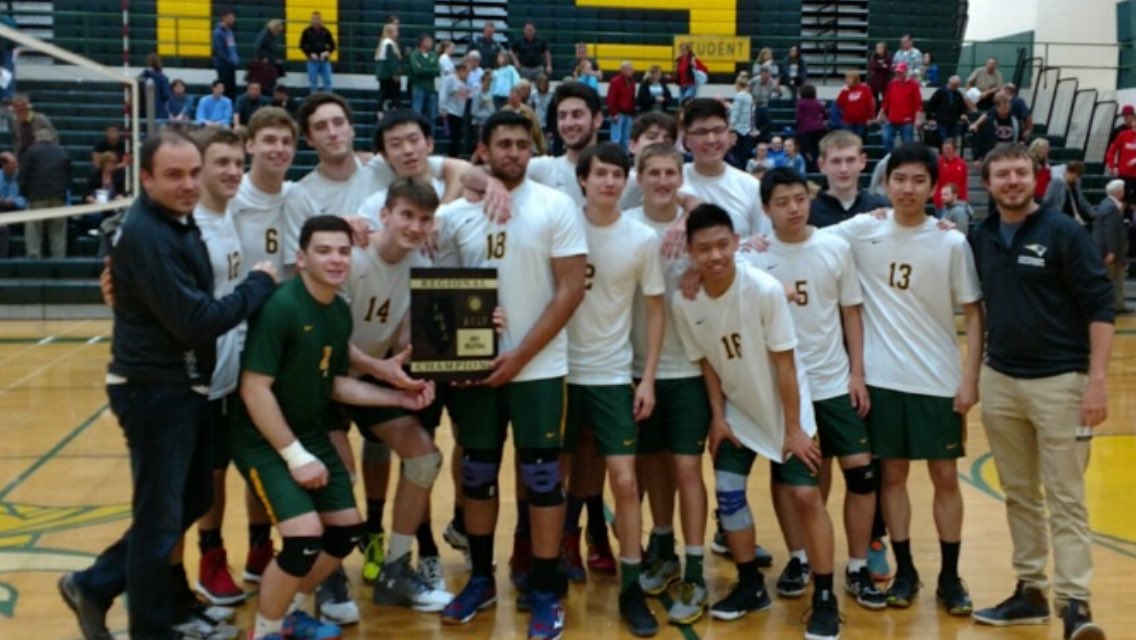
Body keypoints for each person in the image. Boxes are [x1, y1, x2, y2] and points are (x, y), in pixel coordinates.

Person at [58, 130, 277, 640]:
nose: (188, 184)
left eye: (192, 173)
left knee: (193, 497)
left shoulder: (176, 223)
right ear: (147, 178)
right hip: (154, 390)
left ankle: (95, 583)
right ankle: (150, 627)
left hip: (186, 387)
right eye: (175, 175)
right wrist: (258, 287)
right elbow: (195, 321)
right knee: (159, 517)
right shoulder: (149, 235)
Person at [232, 215, 431, 640]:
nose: (336, 259)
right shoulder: (281, 307)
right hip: (265, 440)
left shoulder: (338, 310)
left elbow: (336, 383)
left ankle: (288, 612)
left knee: (343, 535)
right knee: (304, 540)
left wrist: (398, 397)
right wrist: (296, 456)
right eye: (324, 251)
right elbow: (254, 390)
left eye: (343, 251)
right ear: (301, 258)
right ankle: (265, 632)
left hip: (308, 432)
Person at [435, 110, 587, 639]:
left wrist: (520, 355)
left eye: (523, 144)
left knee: (543, 480)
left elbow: (571, 289)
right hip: (475, 371)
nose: (514, 153)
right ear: (484, 148)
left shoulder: (555, 206)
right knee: (476, 475)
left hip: (539, 367)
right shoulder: (456, 216)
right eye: (504, 144)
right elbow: (443, 294)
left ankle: (544, 587)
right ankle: (481, 578)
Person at [825, 142, 984, 616]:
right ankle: (907, 568)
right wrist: (754, 243)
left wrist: (969, 378)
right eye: (900, 179)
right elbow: (804, 238)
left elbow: (975, 314)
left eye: (919, 180)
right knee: (891, 475)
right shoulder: (862, 230)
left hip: (937, 379)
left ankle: (951, 577)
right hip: (882, 379)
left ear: (934, 187)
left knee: (944, 476)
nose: (908, 189)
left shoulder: (951, 240)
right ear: (886, 184)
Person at [671, 203, 840, 637]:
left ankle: (824, 597)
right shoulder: (685, 301)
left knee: (805, 498)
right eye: (704, 248)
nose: (714, 256)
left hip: (789, 409)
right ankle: (750, 584)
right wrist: (717, 417)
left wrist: (794, 429)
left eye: (723, 245)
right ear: (690, 251)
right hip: (738, 413)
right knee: (728, 495)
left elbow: (785, 366)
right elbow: (707, 362)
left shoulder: (763, 289)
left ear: (735, 244)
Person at [969, 142, 1114, 640]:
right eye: (1002, 174)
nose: (1012, 181)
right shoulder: (981, 236)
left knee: (1066, 497)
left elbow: (1101, 309)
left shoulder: (1065, 232)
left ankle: (1075, 602)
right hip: (1002, 381)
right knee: (1019, 495)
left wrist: (1096, 383)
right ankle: (1029, 591)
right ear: (987, 183)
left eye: (1020, 172)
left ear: (1036, 177)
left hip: (1062, 384)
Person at [758, 166, 887, 612]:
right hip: (786, 389)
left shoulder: (833, 247)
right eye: (782, 202)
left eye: (799, 198)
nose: (793, 208)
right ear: (766, 210)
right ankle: (799, 559)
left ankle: (856, 565)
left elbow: (851, 312)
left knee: (862, 473)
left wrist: (857, 374)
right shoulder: (754, 255)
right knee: (793, 481)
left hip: (834, 381)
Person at [560, 143, 666, 635]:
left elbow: (655, 308)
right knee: (558, 477)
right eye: (600, 173)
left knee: (624, 481)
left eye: (616, 174)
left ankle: (631, 587)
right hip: (557, 370)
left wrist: (646, 378)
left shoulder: (641, 239)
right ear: (583, 179)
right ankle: (551, 561)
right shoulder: (560, 225)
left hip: (611, 374)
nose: (608, 181)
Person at [339, 179, 454, 612]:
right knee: (337, 474)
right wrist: (381, 370)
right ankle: (328, 575)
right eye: (406, 215)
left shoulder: (419, 266)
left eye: (424, 219)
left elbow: (405, 338)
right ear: (383, 214)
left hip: (371, 376)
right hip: (324, 380)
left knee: (425, 458)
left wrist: (423, 366)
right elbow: (327, 342)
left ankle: (395, 568)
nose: (415, 226)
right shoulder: (349, 256)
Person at [623, 144, 712, 624]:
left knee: (686, 468)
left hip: (688, 367)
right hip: (635, 366)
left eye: (670, 173)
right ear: (639, 177)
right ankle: (663, 546)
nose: (662, 180)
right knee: (651, 465)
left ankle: (696, 569)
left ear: (682, 177)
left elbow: (726, 253)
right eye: (653, 172)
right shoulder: (627, 224)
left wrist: (694, 233)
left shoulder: (699, 221)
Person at [810, 130, 891, 228]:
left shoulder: (883, 208)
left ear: (862, 161)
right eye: (836, 161)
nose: (844, 169)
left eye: (850, 160)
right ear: (821, 165)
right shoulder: (807, 213)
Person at [19, 129, 70, 259]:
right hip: (58, 195)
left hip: (37, 195)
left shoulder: (31, 151)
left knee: (34, 229)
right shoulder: (62, 151)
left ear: (37, 138)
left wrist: (24, 193)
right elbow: (69, 175)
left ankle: (34, 257)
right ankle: (58, 258)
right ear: (51, 138)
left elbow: (23, 175)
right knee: (58, 230)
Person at [1094, 180, 1131, 313]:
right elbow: (1110, 231)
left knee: (1118, 278)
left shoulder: (1107, 204)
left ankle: (1118, 305)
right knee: (1111, 278)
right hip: (1110, 250)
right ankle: (1107, 306)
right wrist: (1111, 251)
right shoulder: (1110, 207)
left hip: (1113, 249)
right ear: (1119, 191)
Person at [877, 62, 921, 152]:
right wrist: (880, 113)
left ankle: (905, 161)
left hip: (907, 120)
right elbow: (886, 101)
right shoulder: (892, 84)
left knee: (907, 144)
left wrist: (918, 118)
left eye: (900, 72)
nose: (898, 74)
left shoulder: (913, 85)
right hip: (892, 118)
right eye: (897, 72)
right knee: (886, 138)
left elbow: (918, 103)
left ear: (906, 72)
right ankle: (891, 156)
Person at [1042, 161, 1095, 226]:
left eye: (1078, 176)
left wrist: (1093, 214)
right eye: (1076, 175)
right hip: (1059, 217)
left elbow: (1081, 200)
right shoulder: (1056, 182)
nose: (1077, 178)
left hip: (1074, 217)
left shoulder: (1077, 182)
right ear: (1069, 172)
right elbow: (1047, 200)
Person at [972, 94, 1024, 160]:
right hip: (992, 156)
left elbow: (1020, 139)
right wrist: (977, 157)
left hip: (1011, 155)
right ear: (997, 107)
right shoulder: (988, 122)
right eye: (1003, 108)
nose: (1005, 109)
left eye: (1007, 107)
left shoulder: (1016, 122)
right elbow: (980, 141)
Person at [5, 93, 56, 157]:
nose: (18, 110)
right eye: (16, 108)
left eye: (21, 107)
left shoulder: (40, 119)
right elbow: (16, 140)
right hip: (24, 153)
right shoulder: (14, 121)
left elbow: (54, 137)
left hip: (41, 153)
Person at [925, 75, 968, 150]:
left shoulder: (958, 94)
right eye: (954, 85)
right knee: (943, 141)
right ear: (949, 83)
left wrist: (963, 114)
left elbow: (962, 107)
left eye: (957, 86)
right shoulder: (940, 92)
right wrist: (930, 119)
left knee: (952, 142)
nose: (955, 87)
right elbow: (930, 106)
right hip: (941, 122)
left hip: (953, 122)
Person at [0, 151, 27, 258]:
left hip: (20, 212)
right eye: (11, 163)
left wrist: (15, 201)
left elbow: (28, 198)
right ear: (3, 165)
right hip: (2, 210)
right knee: (2, 227)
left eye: (15, 163)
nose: (15, 166)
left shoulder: (23, 177)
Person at [409, 34, 440, 126]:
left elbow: (437, 71)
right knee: (416, 114)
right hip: (418, 87)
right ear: (422, 43)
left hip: (431, 88)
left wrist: (424, 69)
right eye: (429, 41)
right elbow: (417, 70)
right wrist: (430, 70)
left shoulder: (433, 55)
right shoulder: (415, 55)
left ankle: (430, 138)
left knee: (432, 116)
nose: (431, 43)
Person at [301, 11, 336, 94]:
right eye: (314, 19)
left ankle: (328, 101)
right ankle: (314, 102)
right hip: (312, 61)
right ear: (311, 20)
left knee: (327, 82)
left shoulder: (326, 31)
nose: (316, 21)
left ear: (321, 20)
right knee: (313, 84)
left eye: (318, 19)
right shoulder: (307, 32)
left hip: (324, 60)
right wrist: (309, 54)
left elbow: (333, 45)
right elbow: (302, 45)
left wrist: (328, 52)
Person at [441, 63, 471, 157]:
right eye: (466, 72)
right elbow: (444, 93)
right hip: (451, 111)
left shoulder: (463, 83)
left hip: (459, 113)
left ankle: (454, 154)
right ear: (461, 71)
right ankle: (452, 156)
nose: (467, 75)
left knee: (457, 137)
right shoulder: (451, 79)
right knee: (454, 136)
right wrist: (443, 108)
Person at [795, 84, 826, 172]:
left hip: (805, 130)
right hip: (818, 130)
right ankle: (816, 169)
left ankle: (806, 169)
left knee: (804, 151)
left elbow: (798, 117)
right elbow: (824, 114)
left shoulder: (800, 103)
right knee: (816, 150)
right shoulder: (817, 102)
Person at [835, 72, 875, 139]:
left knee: (858, 139)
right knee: (849, 140)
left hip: (861, 120)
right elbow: (839, 104)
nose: (847, 80)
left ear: (855, 79)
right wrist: (843, 92)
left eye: (849, 78)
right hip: (848, 120)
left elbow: (869, 104)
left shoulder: (865, 89)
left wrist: (870, 118)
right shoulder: (845, 90)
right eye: (846, 78)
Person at [607, 62, 637, 151]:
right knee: (616, 139)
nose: (632, 71)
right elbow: (611, 98)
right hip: (618, 113)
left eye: (632, 69)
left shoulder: (632, 82)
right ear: (623, 70)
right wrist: (613, 113)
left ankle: (625, 158)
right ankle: (614, 157)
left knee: (626, 139)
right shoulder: (615, 81)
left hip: (628, 113)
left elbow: (632, 98)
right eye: (630, 69)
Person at [933, 137, 968, 211]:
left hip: (958, 202)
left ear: (954, 149)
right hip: (942, 202)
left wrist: (964, 200)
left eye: (948, 148)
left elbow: (964, 183)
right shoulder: (938, 163)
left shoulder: (961, 164)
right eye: (944, 148)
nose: (946, 151)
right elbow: (935, 182)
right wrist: (937, 199)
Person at [728, 73, 755, 165]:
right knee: (743, 155)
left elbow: (735, 113)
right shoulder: (749, 96)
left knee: (736, 154)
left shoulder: (739, 96)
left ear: (738, 85)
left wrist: (730, 127)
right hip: (746, 129)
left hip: (737, 130)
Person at [212, 10, 239, 100]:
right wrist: (229, 61)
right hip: (223, 65)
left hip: (231, 65)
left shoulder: (229, 31)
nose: (233, 19)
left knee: (232, 90)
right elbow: (219, 51)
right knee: (225, 89)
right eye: (230, 17)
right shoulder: (218, 32)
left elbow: (232, 47)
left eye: (233, 17)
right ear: (224, 18)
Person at [253, 19, 286, 92]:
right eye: (278, 30)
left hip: (271, 63)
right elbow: (258, 48)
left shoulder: (273, 36)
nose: (278, 33)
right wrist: (263, 58)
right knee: (265, 85)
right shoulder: (264, 35)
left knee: (271, 84)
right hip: (264, 65)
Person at [138, 53, 172, 120]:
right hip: (159, 112)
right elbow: (166, 95)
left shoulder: (141, 77)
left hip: (144, 111)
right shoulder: (163, 78)